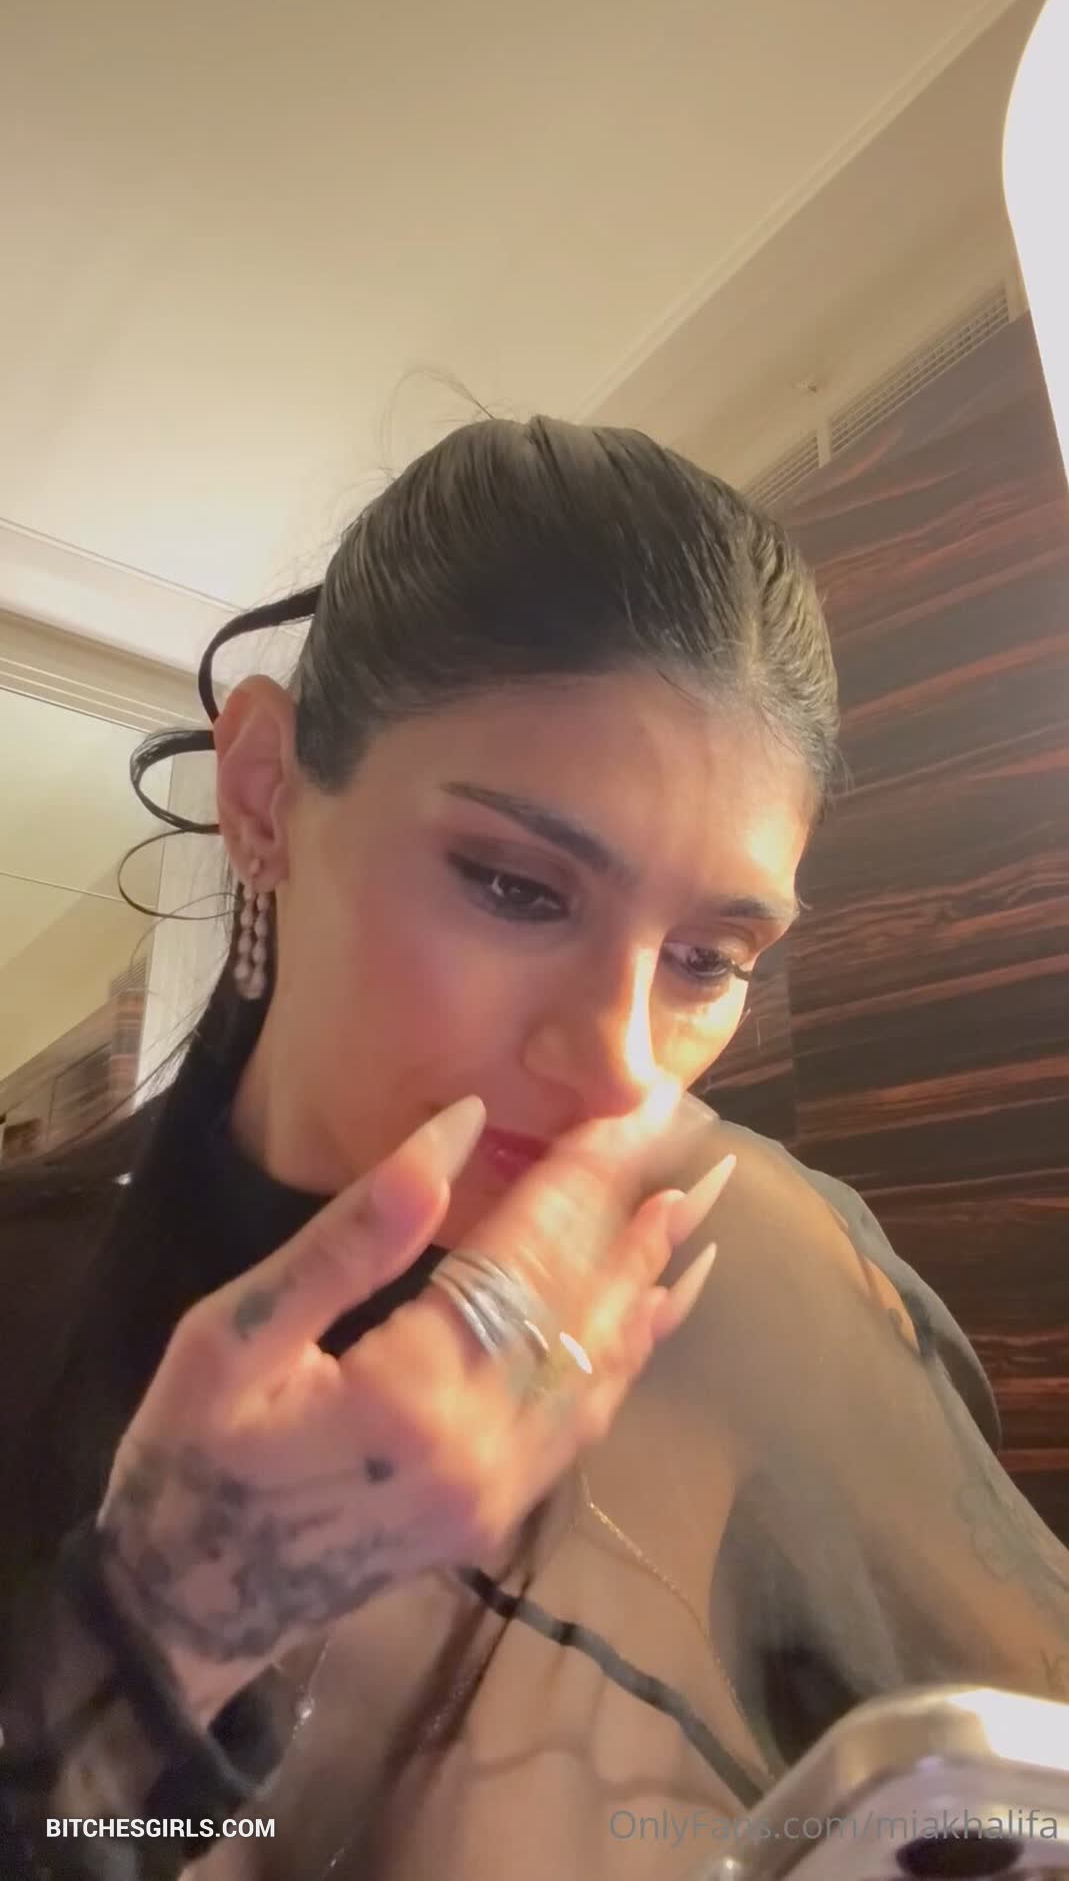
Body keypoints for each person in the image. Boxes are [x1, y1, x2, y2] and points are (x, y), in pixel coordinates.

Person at [1, 415, 1067, 1881]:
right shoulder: (22, 1289)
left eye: (706, 958)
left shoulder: (748, 1271)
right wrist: (158, 1635)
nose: (624, 1062)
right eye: (514, 887)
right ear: (263, 798)